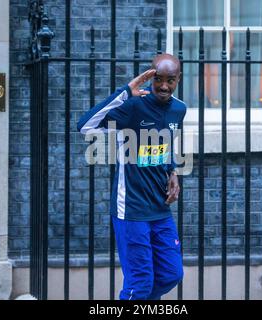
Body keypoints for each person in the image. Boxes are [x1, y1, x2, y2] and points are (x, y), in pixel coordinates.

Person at [77, 53, 186, 300]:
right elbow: (85, 125)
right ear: (150, 77)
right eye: (158, 79)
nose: (164, 86)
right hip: (131, 210)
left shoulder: (179, 109)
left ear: (178, 79)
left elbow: (167, 144)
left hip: (160, 209)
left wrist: (173, 171)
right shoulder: (132, 106)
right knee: (140, 283)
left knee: (171, 274)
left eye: (171, 80)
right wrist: (126, 91)